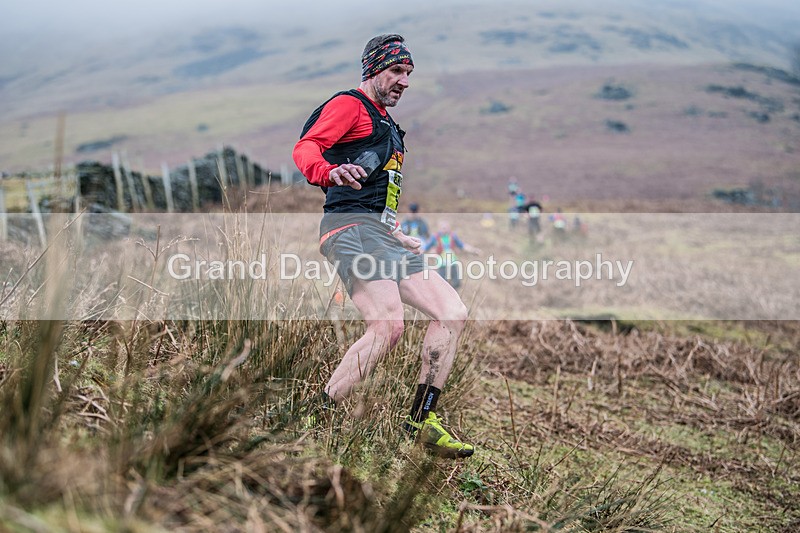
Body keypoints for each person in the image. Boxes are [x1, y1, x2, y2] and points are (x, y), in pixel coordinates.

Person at [292, 34, 473, 458]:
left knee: (452, 312)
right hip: (349, 229)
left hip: (380, 234)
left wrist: (395, 230)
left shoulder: (387, 124)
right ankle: (314, 415)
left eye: (408, 73)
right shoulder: (349, 105)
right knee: (388, 326)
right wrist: (327, 172)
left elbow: (377, 191)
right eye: (396, 71)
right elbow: (307, 147)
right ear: (373, 70)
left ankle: (421, 420)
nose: (404, 81)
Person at [423, 220, 480, 291]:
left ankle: (452, 293)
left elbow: (462, 246)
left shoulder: (452, 236)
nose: (445, 230)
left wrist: (474, 250)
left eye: (446, 228)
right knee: (442, 284)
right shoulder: (435, 237)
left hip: (452, 263)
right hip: (442, 265)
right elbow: (426, 248)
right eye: (443, 228)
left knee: (457, 282)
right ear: (439, 228)